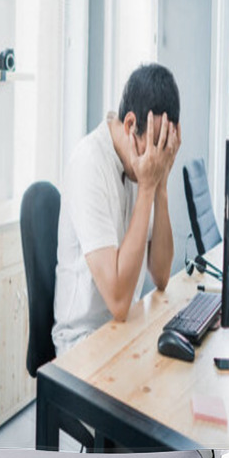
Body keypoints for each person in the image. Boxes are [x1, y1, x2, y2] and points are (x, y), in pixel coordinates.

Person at [52, 63, 181, 356]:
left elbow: (161, 275)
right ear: (130, 125)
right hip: (81, 346)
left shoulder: (143, 163)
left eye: (166, 145)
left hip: (122, 332)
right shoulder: (88, 164)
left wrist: (161, 185)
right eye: (156, 143)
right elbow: (120, 302)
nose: (158, 154)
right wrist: (148, 187)